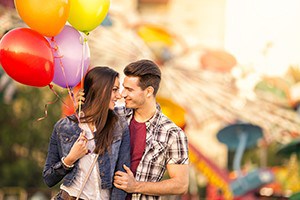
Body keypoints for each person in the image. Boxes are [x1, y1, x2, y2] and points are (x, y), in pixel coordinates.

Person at [43, 66, 130, 200]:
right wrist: (70, 158)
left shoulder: (119, 124)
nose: (119, 96)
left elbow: (121, 177)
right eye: (114, 90)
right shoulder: (64, 127)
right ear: (98, 90)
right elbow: (48, 178)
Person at [113, 59, 189, 199]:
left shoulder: (172, 133)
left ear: (148, 91)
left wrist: (135, 186)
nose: (123, 94)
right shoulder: (115, 116)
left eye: (129, 89)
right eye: (124, 87)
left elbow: (181, 184)